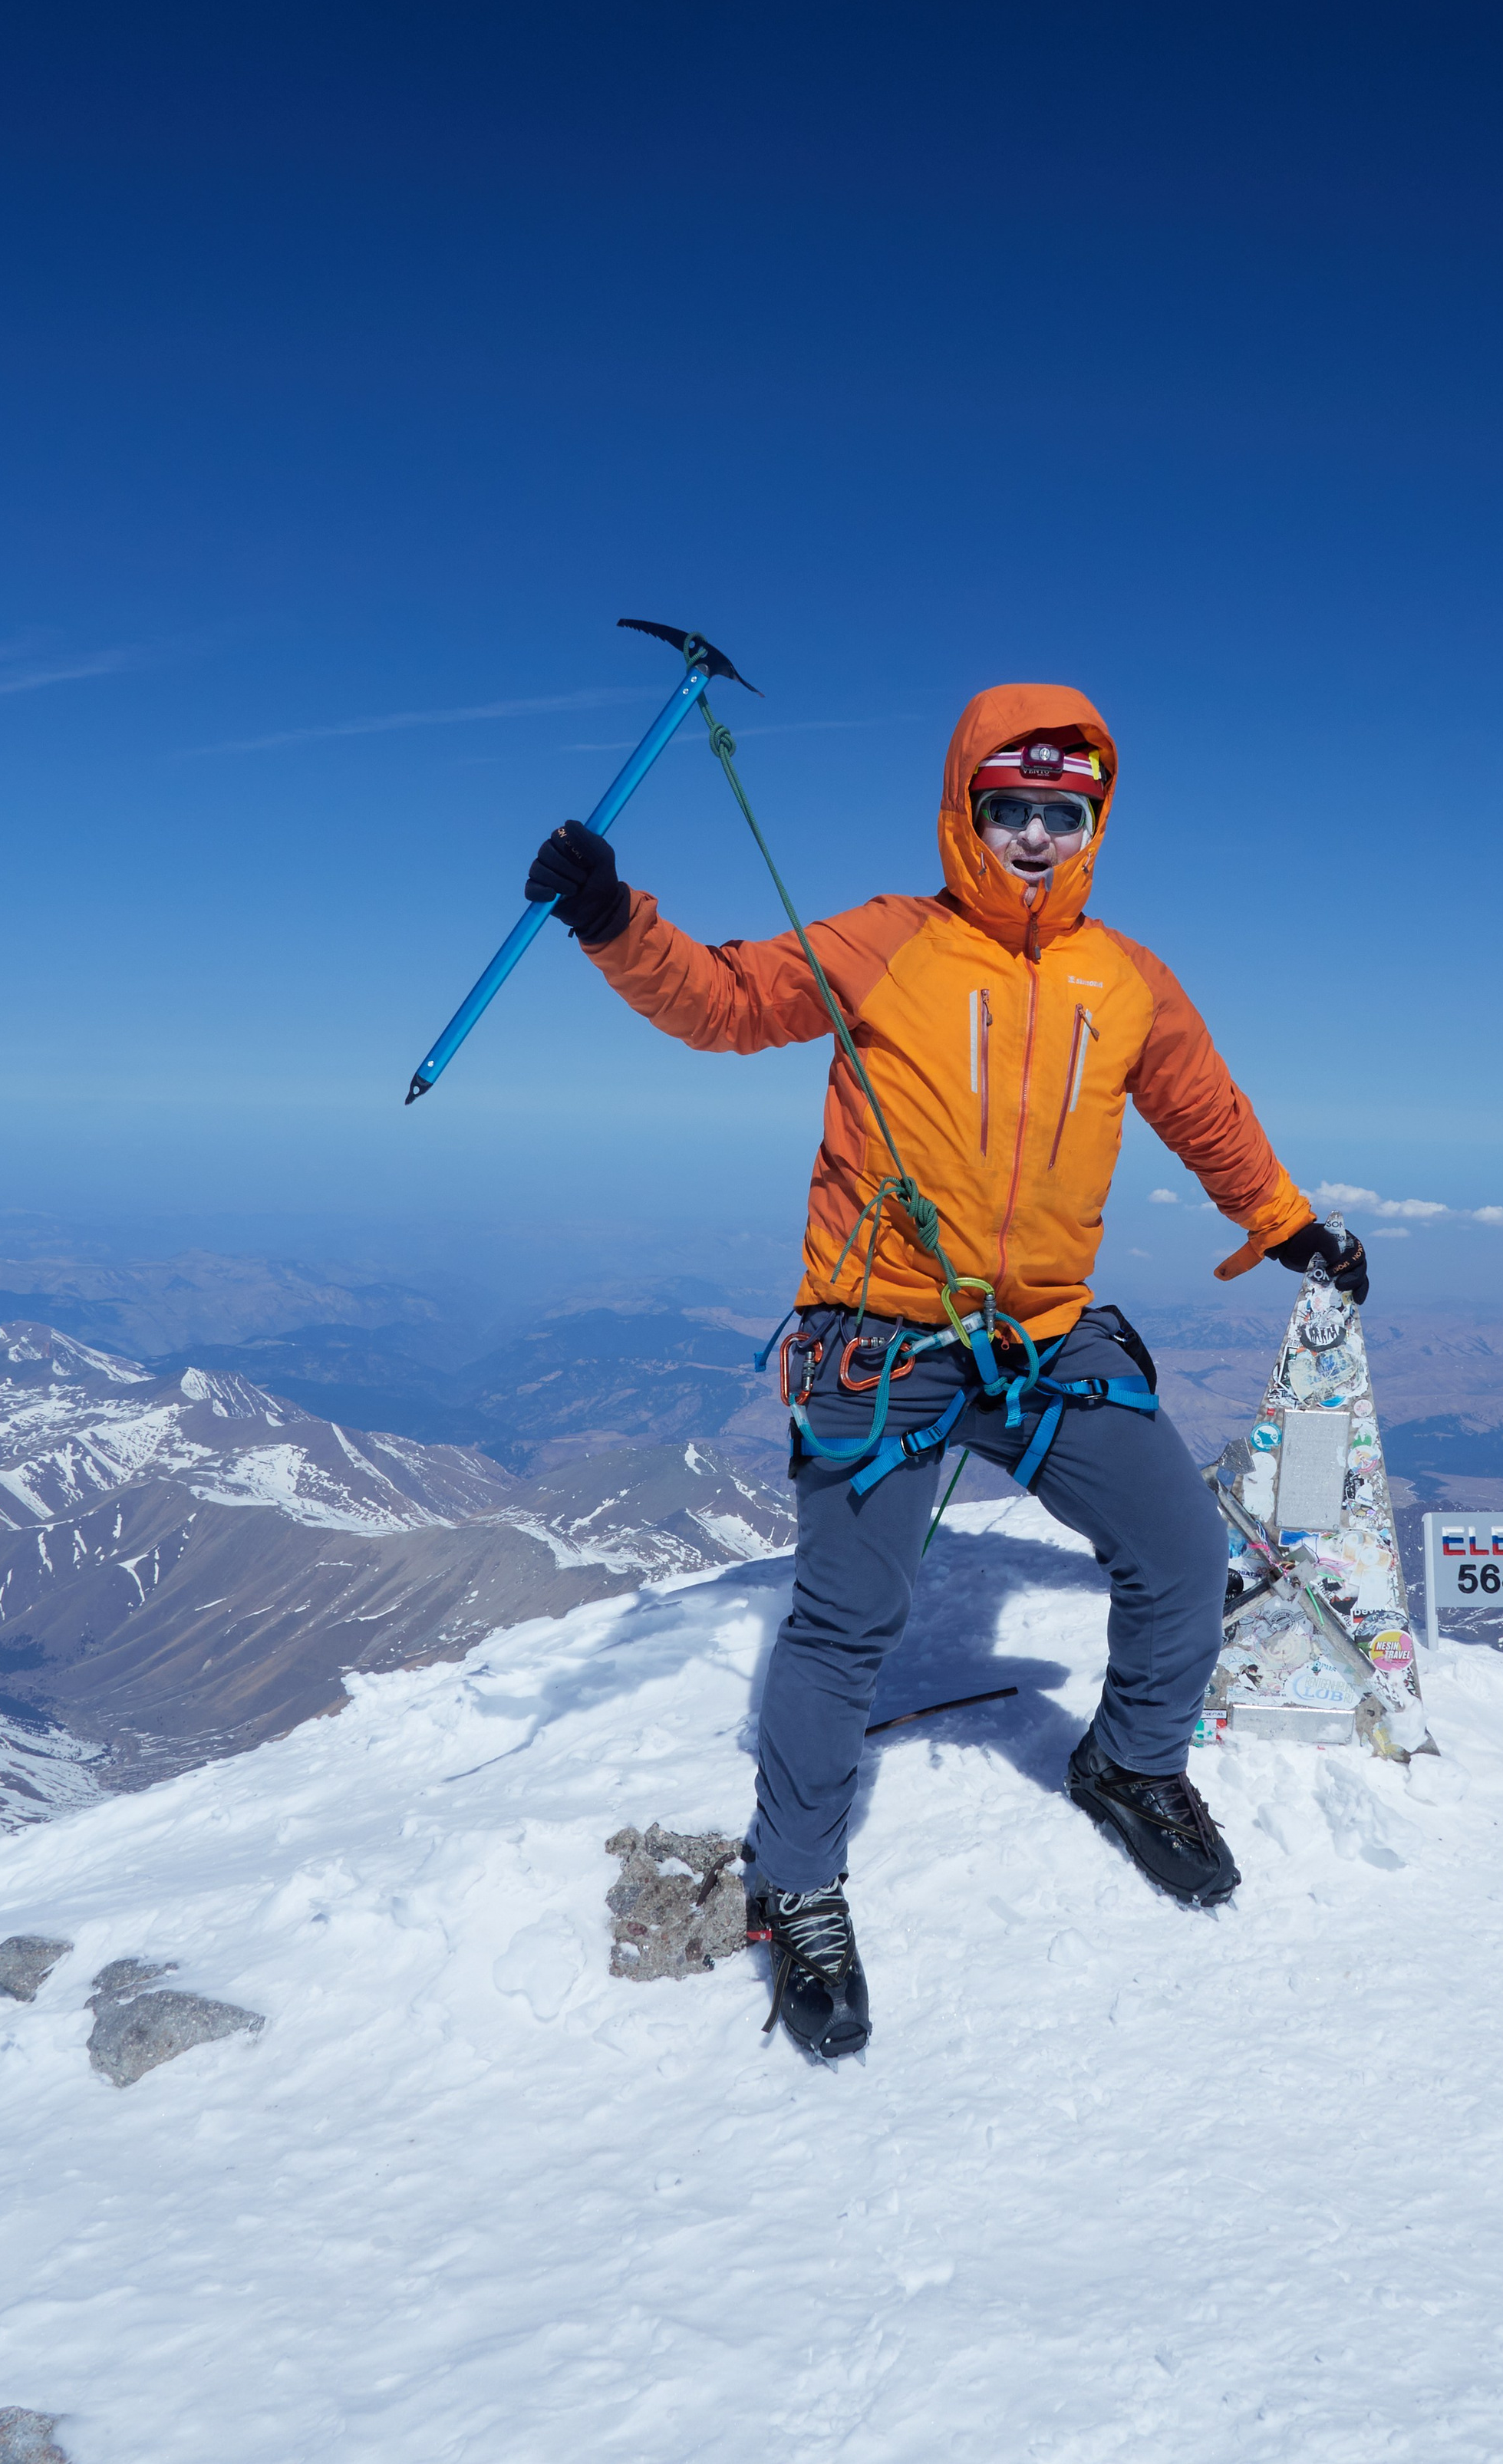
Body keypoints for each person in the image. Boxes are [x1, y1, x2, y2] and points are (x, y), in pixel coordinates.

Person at [526, 684, 1366, 2060]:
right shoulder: (889, 941)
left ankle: (1132, 1763)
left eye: (1065, 811)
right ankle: (797, 1883)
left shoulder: (1128, 977)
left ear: (1095, 820)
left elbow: (1203, 1110)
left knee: (1176, 1544)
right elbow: (732, 1002)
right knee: (849, 1615)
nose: (1038, 836)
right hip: (885, 1332)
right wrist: (616, 920)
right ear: (967, 808)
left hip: (1045, 1338)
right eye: (1012, 807)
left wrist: (1284, 1225)